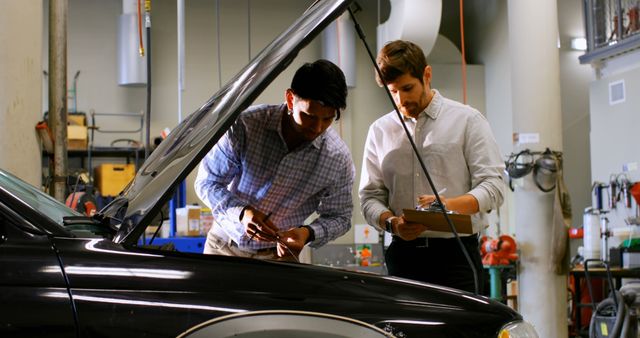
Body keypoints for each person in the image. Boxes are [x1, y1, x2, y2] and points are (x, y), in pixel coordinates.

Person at [359, 40, 505, 292]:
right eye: (393, 92)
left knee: (461, 332)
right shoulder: (379, 131)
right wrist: (393, 223)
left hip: (456, 255)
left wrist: (447, 205)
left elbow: (494, 187)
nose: (401, 100)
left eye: (407, 88)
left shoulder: (467, 121)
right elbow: (369, 198)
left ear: (426, 75)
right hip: (402, 255)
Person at [195, 59, 355, 261]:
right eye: (309, 116)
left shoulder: (337, 158)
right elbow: (207, 183)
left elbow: (340, 217)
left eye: (328, 119)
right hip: (224, 246)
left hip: (279, 257)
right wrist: (242, 213)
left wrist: (307, 233)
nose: (317, 128)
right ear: (290, 99)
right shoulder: (245, 126)